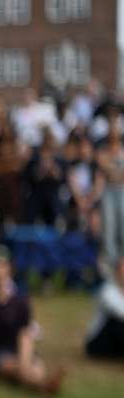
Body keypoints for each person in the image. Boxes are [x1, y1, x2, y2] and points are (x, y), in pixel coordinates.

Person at [0, 252, 64, 395]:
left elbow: (25, 333)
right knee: (20, 369)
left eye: (2, 267)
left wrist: (24, 360)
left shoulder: (20, 302)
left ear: (10, 271)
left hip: (19, 349)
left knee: (34, 368)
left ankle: (38, 382)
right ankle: (43, 385)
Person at [96, 123, 124, 274]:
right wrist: (115, 169)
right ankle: (111, 267)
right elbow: (103, 166)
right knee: (109, 226)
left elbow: (114, 171)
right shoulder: (103, 150)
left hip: (122, 190)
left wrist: (112, 168)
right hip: (108, 190)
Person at [86, 256, 124, 359]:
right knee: (118, 323)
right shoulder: (107, 291)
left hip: (116, 342)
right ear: (117, 272)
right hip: (98, 343)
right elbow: (120, 312)